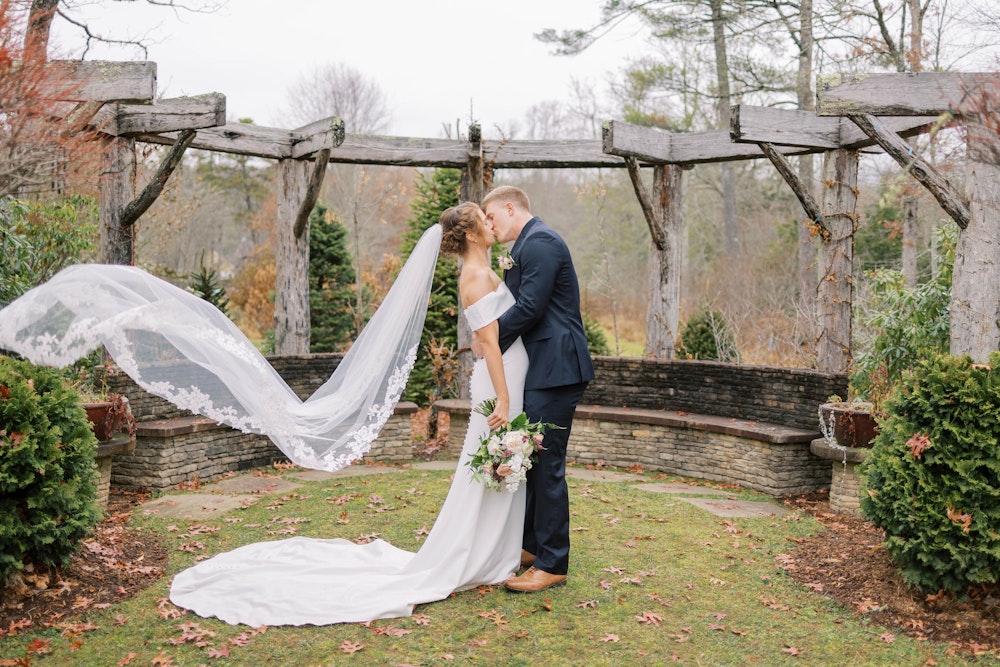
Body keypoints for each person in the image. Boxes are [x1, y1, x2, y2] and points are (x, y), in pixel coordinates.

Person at [164, 202, 531, 625]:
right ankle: (476, 553)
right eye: (484, 220)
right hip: (500, 385)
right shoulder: (476, 277)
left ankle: (492, 549)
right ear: (469, 233)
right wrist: (503, 399)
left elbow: (486, 342)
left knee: (490, 463)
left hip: (504, 378)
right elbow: (489, 344)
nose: (491, 223)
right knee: (485, 463)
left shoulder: (483, 271)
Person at [479, 185, 594, 593]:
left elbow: (530, 307)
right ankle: (531, 546)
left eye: (491, 216)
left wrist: (489, 339)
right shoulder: (525, 244)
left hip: (558, 368)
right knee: (532, 460)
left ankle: (553, 563)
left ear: (511, 208)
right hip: (542, 368)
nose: (489, 225)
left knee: (547, 465)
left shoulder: (542, 242)